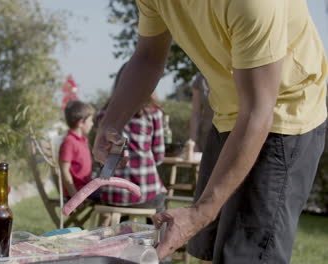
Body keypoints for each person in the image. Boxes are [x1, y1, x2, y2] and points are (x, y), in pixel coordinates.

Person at [93, 1, 327, 263]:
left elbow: (259, 112)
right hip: (228, 111)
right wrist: (110, 122)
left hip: (283, 117)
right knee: (205, 249)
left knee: (242, 256)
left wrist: (200, 213)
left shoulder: (253, 4)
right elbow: (148, 57)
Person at [97, 63, 166, 225]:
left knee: (124, 204)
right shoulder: (153, 114)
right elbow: (159, 156)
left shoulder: (103, 116)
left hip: (112, 194)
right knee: (159, 196)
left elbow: (99, 154)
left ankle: (121, 234)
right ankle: (155, 243)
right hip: (145, 193)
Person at [59, 100, 98, 200]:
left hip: (86, 187)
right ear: (81, 123)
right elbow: (64, 170)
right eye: (90, 120)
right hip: (79, 191)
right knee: (111, 195)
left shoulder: (82, 141)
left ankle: (108, 216)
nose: (92, 124)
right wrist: (75, 196)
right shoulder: (69, 142)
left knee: (110, 191)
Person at [189, 72, 213, 153]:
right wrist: (193, 142)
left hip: (231, 135)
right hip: (206, 137)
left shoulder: (236, 70)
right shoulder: (201, 78)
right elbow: (196, 113)